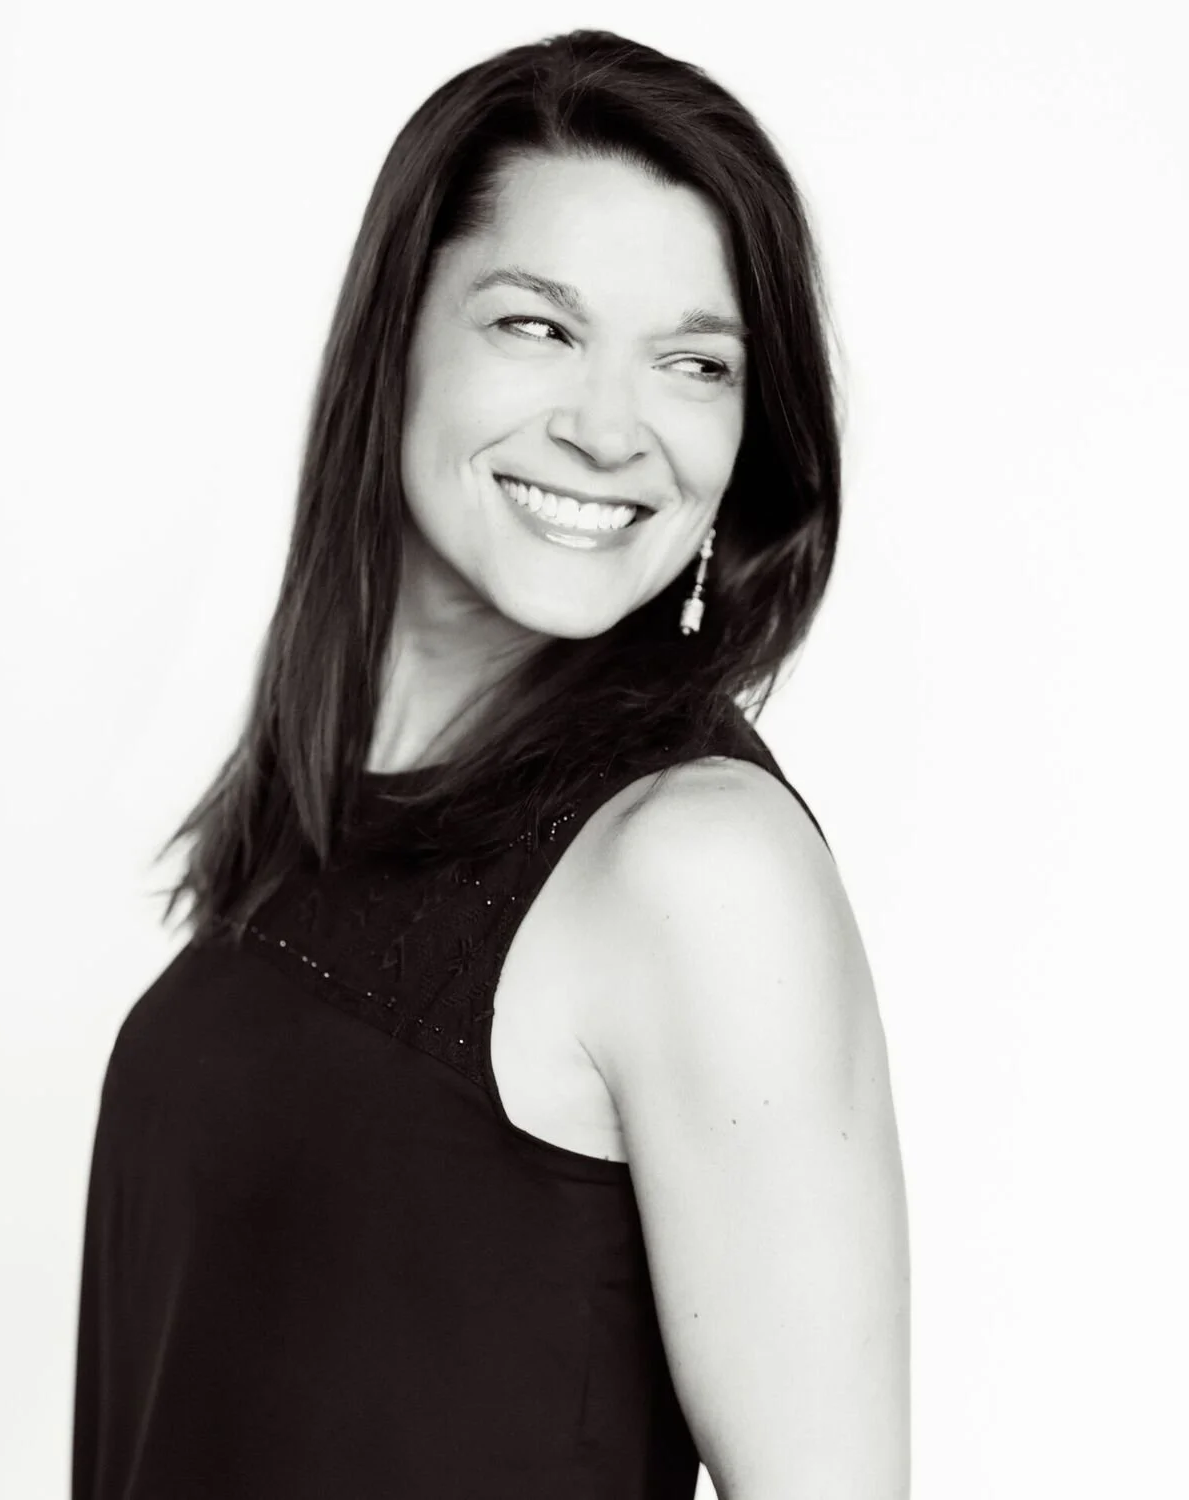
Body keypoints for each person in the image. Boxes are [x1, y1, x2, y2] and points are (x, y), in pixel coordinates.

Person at [72, 28, 910, 1500]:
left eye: (694, 362)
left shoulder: (695, 867)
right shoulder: (318, 826)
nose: (606, 428)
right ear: (395, 337)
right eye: (539, 326)